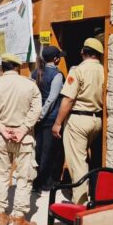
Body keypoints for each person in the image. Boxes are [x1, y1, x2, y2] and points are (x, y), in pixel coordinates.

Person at [0, 53, 41, 225]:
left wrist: (0, 127)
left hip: (2, 138)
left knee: (0, 175)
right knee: (24, 177)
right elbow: (36, 108)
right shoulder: (30, 85)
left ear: (2, 69)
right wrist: (23, 128)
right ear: (18, 67)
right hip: (24, 138)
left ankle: (2, 216)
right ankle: (19, 220)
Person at [52, 38, 104, 205]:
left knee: (77, 164)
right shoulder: (105, 70)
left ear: (83, 52)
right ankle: (94, 194)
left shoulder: (77, 70)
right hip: (97, 121)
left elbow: (68, 100)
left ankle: (80, 204)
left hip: (78, 120)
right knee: (92, 161)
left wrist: (58, 123)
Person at [31, 46, 66, 195]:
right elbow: (52, 98)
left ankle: (35, 182)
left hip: (37, 117)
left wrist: (35, 114)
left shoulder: (35, 72)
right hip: (50, 117)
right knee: (48, 151)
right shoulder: (57, 75)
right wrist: (42, 113)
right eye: (59, 57)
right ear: (56, 59)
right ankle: (44, 184)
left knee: (38, 150)